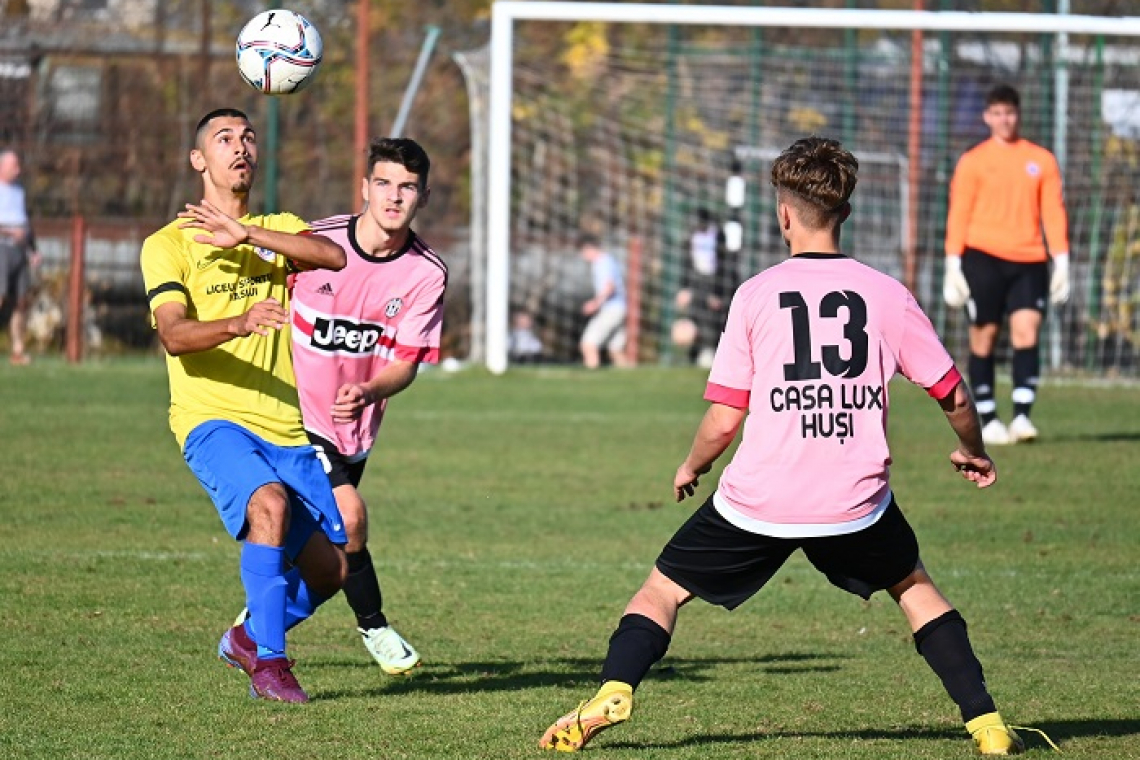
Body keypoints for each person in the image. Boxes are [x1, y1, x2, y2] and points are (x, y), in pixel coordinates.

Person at [540, 137, 1026, 756]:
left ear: (784, 213)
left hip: (757, 501)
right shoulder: (887, 294)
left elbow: (723, 419)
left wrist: (693, 465)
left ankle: (614, 688)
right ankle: (985, 723)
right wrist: (974, 451)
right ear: (843, 212)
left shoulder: (754, 294)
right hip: (854, 504)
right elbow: (955, 396)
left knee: (661, 592)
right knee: (915, 589)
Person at [139, 108, 349, 703]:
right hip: (211, 419)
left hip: (284, 424)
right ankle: (273, 666)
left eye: (248, 137)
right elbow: (174, 335)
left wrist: (249, 236)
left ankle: (248, 637)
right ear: (198, 160)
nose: (240, 147)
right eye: (223, 139)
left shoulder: (275, 228)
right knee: (269, 504)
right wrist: (240, 320)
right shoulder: (167, 244)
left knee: (331, 571)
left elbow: (333, 257)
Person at [289, 137, 446, 675]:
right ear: (364, 188)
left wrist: (370, 390)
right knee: (350, 518)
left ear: (422, 196)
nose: (393, 197)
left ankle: (257, 624)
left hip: (356, 427)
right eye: (383, 183)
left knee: (327, 542)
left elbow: (407, 362)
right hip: (294, 413)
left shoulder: (426, 274)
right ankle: (374, 625)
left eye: (406, 187)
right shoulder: (314, 243)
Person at [943, 83, 1071, 446]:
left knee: (1026, 333)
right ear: (987, 116)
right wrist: (952, 263)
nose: (1004, 119)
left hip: (1029, 258)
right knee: (984, 336)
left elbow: (1053, 212)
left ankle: (1022, 418)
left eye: (1010, 112)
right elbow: (959, 214)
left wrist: (1061, 260)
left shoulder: (1041, 160)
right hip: (982, 255)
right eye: (997, 113)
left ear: (1019, 114)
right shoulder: (973, 161)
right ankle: (988, 417)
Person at [0, 148, 40, 365]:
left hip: (20, 251)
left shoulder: (19, 191)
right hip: (2, 248)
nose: (18, 170)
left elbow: (25, 223)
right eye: (13, 166)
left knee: (21, 301)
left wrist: (33, 249)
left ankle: (18, 350)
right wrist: (8, 231)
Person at [676, 208, 728, 367]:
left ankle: (711, 352)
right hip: (695, 281)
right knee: (693, 317)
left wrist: (716, 292)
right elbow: (686, 262)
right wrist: (684, 287)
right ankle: (694, 354)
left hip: (712, 282)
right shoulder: (691, 237)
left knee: (711, 319)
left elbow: (723, 264)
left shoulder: (718, 235)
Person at [578, 233, 630, 369]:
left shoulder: (602, 262)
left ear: (589, 248)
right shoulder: (607, 261)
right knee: (615, 350)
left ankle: (589, 384)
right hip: (620, 309)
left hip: (612, 309)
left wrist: (595, 304)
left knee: (588, 344)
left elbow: (609, 286)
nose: (582, 255)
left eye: (583, 251)